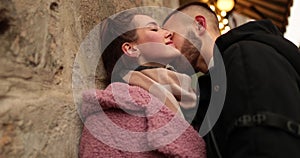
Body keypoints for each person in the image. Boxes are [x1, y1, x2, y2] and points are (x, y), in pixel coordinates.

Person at [163, 2, 300, 158]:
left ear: (199, 25)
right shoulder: (213, 87)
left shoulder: (245, 54)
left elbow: (264, 144)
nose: (166, 47)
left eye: (170, 36)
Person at [78, 9, 206, 157]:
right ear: (131, 49)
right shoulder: (110, 117)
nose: (168, 33)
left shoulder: (192, 96)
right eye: (153, 28)